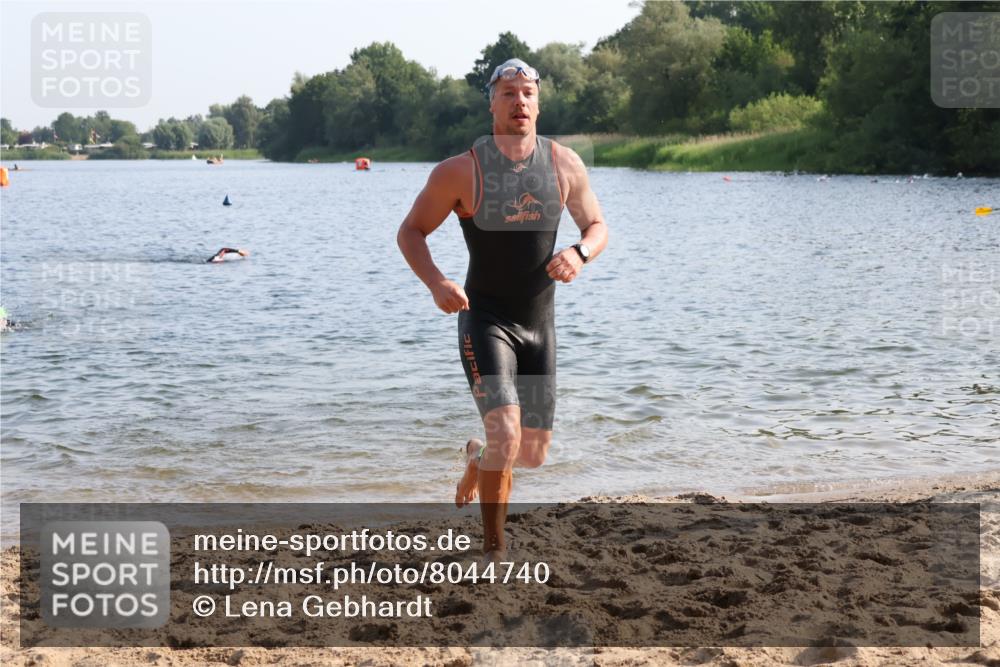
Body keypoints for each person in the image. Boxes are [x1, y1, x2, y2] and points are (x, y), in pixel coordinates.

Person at [397, 58, 608, 560]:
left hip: (539, 324)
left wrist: (579, 253)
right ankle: (494, 548)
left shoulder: (564, 164)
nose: (519, 102)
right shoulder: (460, 171)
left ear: (538, 103)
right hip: (485, 320)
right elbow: (411, 232)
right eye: (509, 93)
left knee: (530, 453)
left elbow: (597, 226)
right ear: (491, 104)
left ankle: (477, 458)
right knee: (506, 432)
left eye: (528, 93)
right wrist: (436, 282)